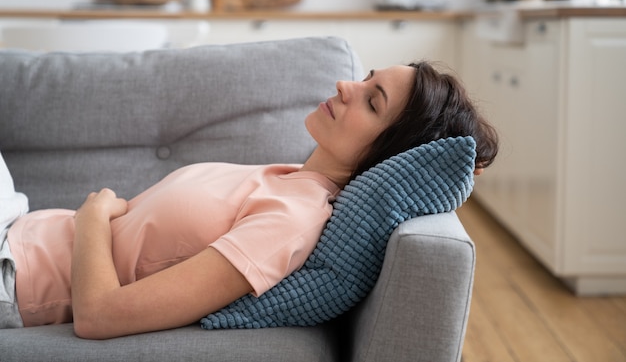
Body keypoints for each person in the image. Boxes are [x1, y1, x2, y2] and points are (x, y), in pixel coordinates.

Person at [0, 61, 498, 339]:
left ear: (388, 151)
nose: (346, 86)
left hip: (15, 277)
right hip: (18, 224)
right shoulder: (286, 179)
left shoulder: (291, 223)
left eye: (372, 101)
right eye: (366, 78)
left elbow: (100, 315)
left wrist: (92, 217)